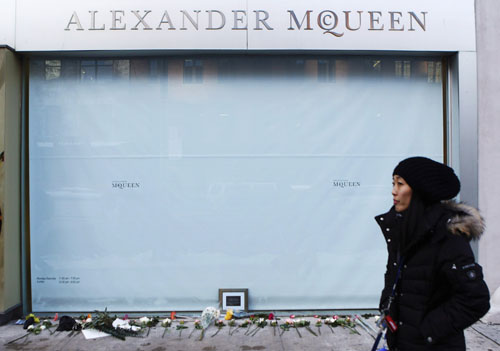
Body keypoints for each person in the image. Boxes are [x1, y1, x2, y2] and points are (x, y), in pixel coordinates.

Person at [375, 157, 490, 351]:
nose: (394, 190)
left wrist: (428, 330)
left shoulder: (447, 236)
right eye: (393, 183)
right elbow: (394, 278)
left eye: (400, 184)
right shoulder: (402, 229)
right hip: (402, 342)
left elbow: (475, 299)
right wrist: (388, 310)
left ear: (420, 190)